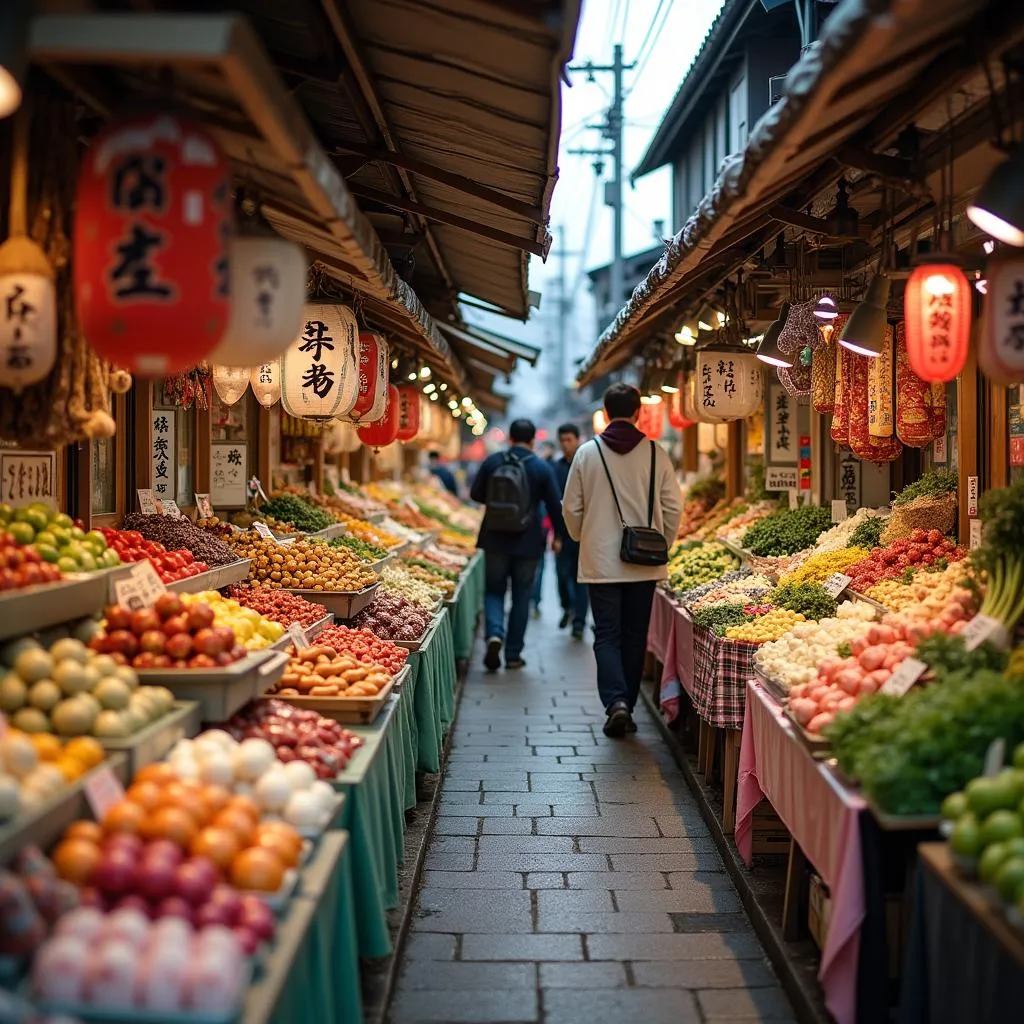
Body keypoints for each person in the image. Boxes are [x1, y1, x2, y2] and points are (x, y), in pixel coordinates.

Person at [562, 384, 682, 737]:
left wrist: (583, 537)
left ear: (605, 409)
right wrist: (663, 543)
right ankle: (626, 703)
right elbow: (674, 506)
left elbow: (571, 508)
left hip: (600, 563)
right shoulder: (656, 453)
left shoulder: (586, 453)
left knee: (607, 634)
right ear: (639, 412)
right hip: (644, 564)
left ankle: (615, 702)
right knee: (634, 636)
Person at [470, 418, 565, 672]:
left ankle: (494, 634)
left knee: (494, 590)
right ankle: (513, 654)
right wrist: (558, 536)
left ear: (510, 438)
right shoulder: (541, 468)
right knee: (522, 596)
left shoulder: (493, 462)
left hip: (495, 539)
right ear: (533, 440)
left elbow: (475, 494)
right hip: (528, 541)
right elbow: (556, 506)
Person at [553, 422, 589, 639]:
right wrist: (555, 534)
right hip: (563, 532)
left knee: (581, 580)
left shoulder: (587, 464)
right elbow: (552, 504)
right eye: (563, 440)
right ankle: (568, 606)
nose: (566, 444)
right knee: (561, 575)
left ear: (578, 439)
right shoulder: (555, 468)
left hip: (585, 534)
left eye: (570, 440)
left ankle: (579, 622)